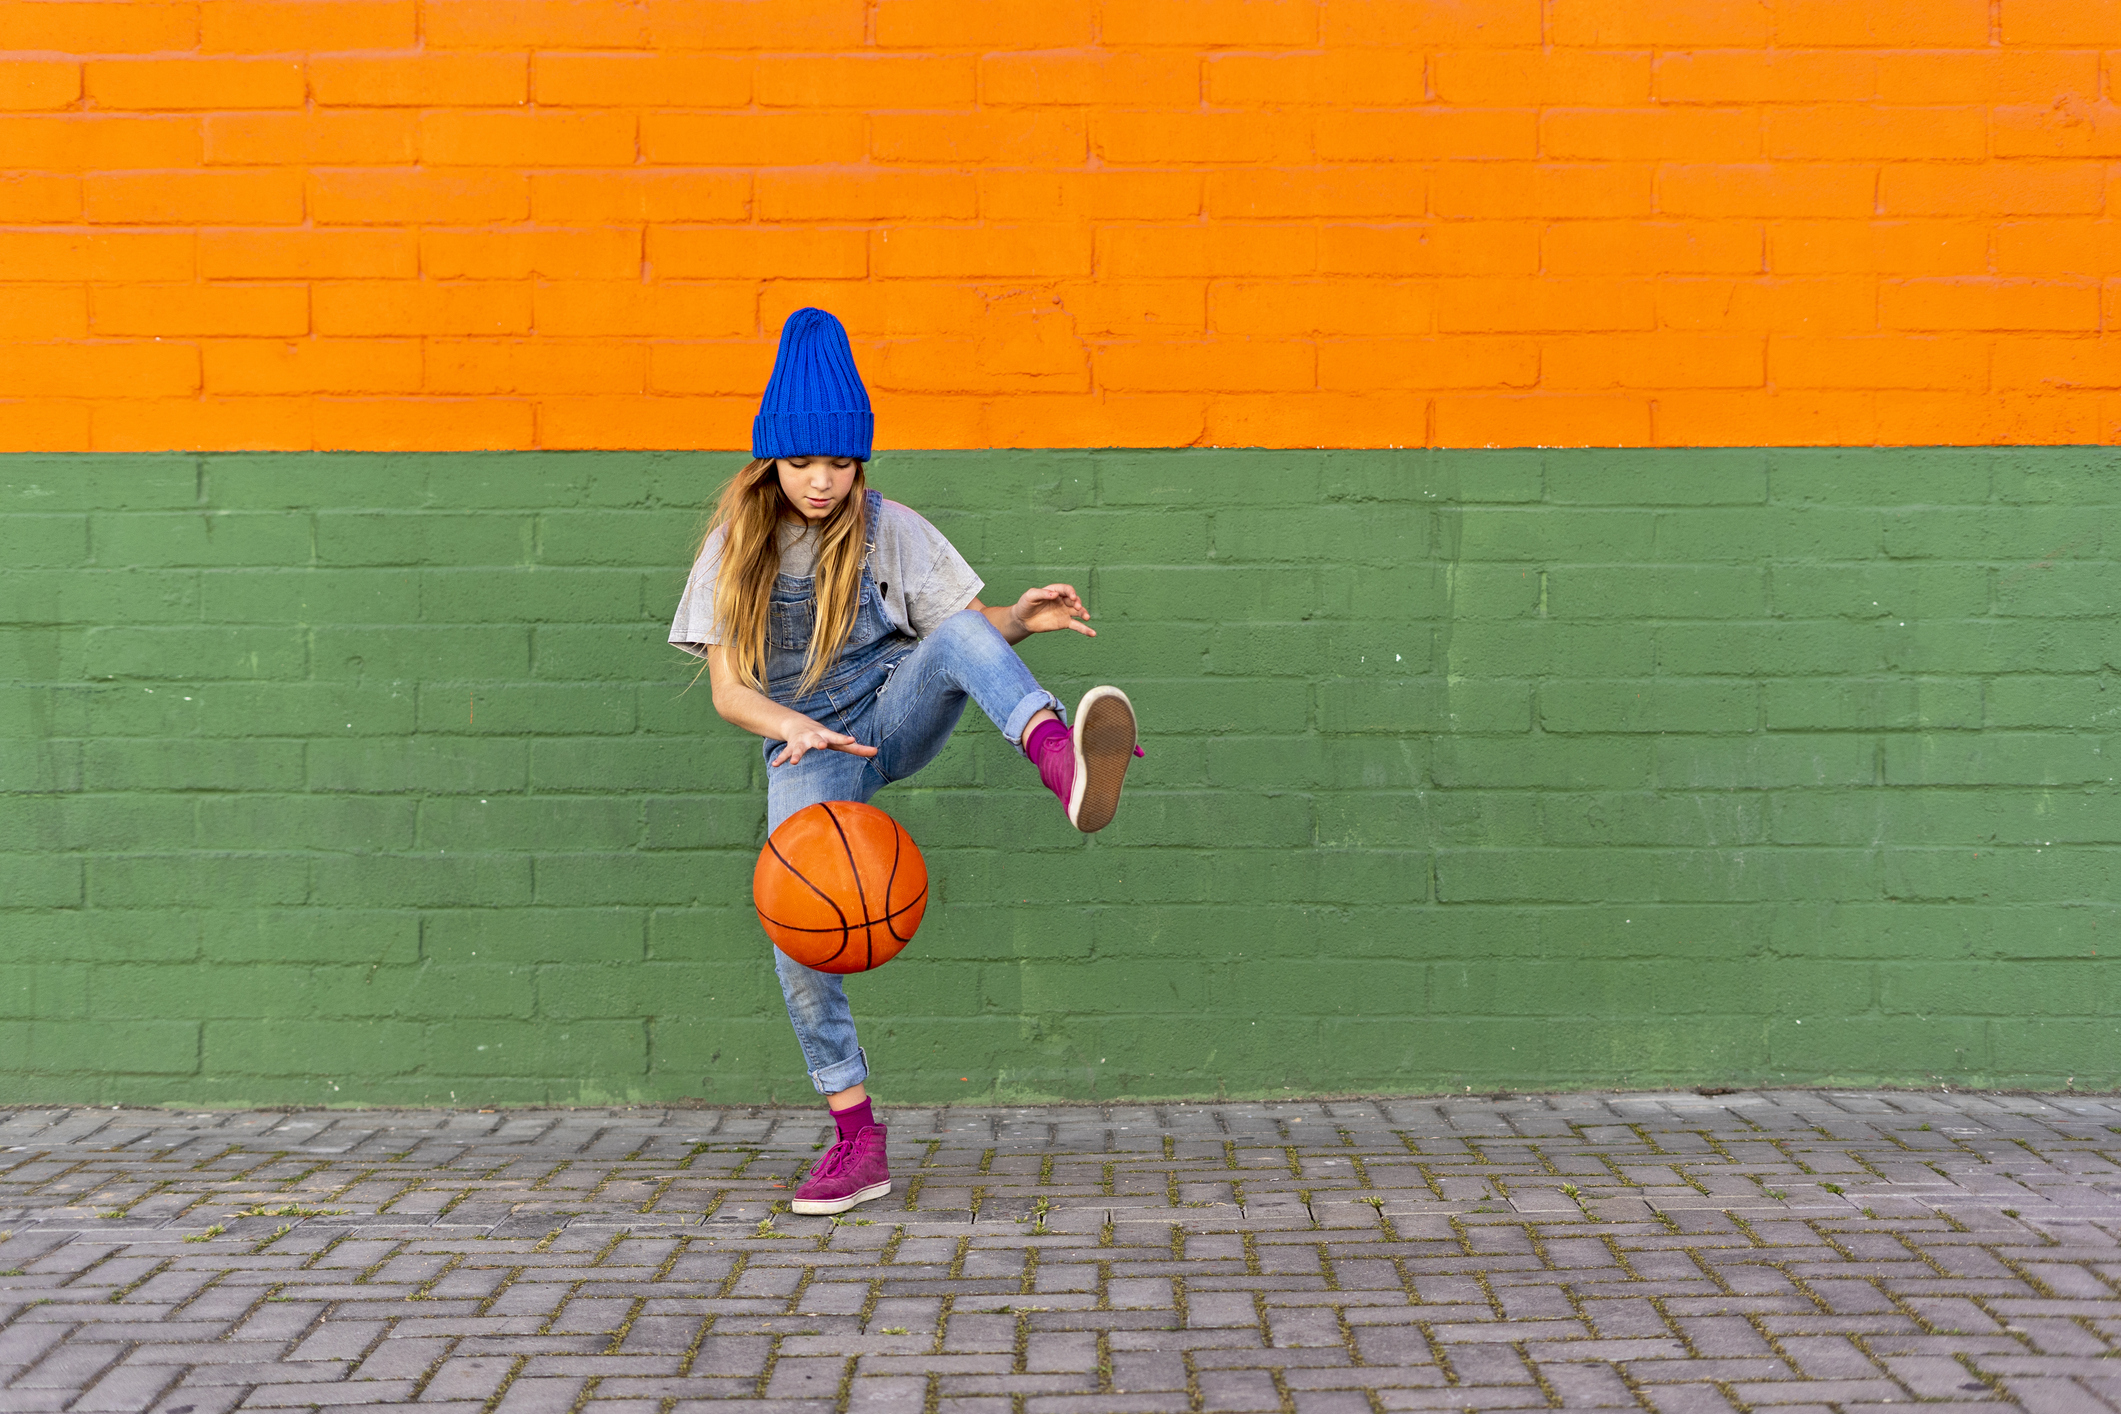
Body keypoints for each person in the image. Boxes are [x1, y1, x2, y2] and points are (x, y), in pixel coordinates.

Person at [668, 308, 1141, 1215]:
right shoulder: (735, 547)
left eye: (840, 463)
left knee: (965, 625)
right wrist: (792, 727)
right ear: (771, 458)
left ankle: (1063, 766)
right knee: (796, 935)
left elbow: (951, 643)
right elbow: (729, 691)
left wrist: (1017, 620)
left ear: (859, 464)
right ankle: (858, 1143)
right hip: (806, 747)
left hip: (890, 714)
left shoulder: (889, 528)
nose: (821, 480)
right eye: (803, 461)